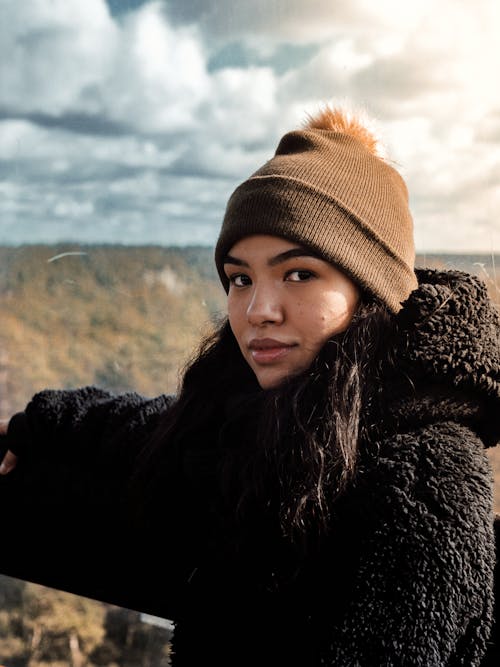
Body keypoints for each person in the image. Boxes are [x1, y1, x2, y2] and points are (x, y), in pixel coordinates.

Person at [0, 105, 499, 667]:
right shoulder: (259, 420)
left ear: (371, 292)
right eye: (240, 278)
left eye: (299, 273)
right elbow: (146, 427)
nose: (257, 310)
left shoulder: (426, 481)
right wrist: (39, 421)